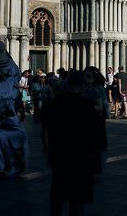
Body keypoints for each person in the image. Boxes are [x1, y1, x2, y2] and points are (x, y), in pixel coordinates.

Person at [45, 71, 98, 216]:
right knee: (77, 199)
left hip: (59, 156)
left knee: (57, 197)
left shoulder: (55, 103)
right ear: (82, 86)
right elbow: (93, 135)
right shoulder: (86, 105)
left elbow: (44, 126)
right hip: (80, 158)